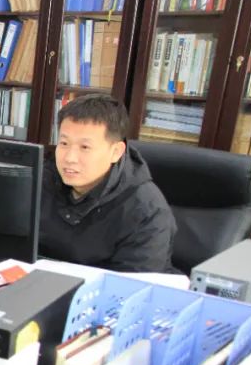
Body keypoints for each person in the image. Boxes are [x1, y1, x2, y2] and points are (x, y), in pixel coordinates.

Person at [40, 94, 177, 273]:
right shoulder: (41, 179)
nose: (70, 158)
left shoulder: (147, 211)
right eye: (64, 143)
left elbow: (133, 284)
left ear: (116, 152)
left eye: (85, 147)